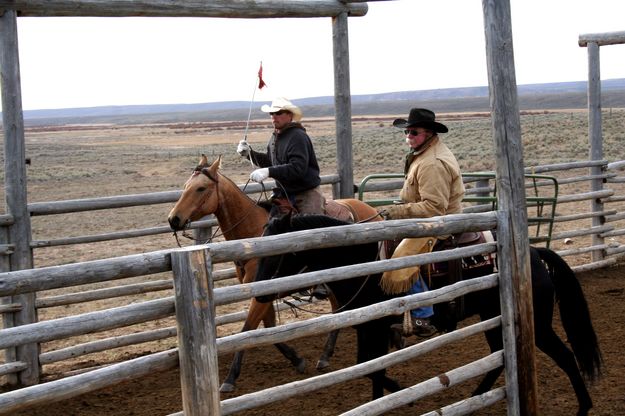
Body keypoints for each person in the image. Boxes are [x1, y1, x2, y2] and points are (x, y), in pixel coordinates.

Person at [383, 108, 465, 337]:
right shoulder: (424, 153)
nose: (408, 136)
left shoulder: (432, 163)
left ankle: (422, 315)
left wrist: (398, 212)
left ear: (428, 133)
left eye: (413, 132)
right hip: (428, 216)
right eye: (406, 132)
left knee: (401, 259)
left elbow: (433, 208)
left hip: (439, 222)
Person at [236, 97, 325, 216]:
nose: (274, 116)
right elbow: (270, 162)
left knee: (310, 229)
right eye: (271, 113)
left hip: (305, 194)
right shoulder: (275, 137)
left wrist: (268, 171)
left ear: (290, 115)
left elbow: (297, 168)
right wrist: (249, 154)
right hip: (283, 194)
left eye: (278, 113)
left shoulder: (298, 136)